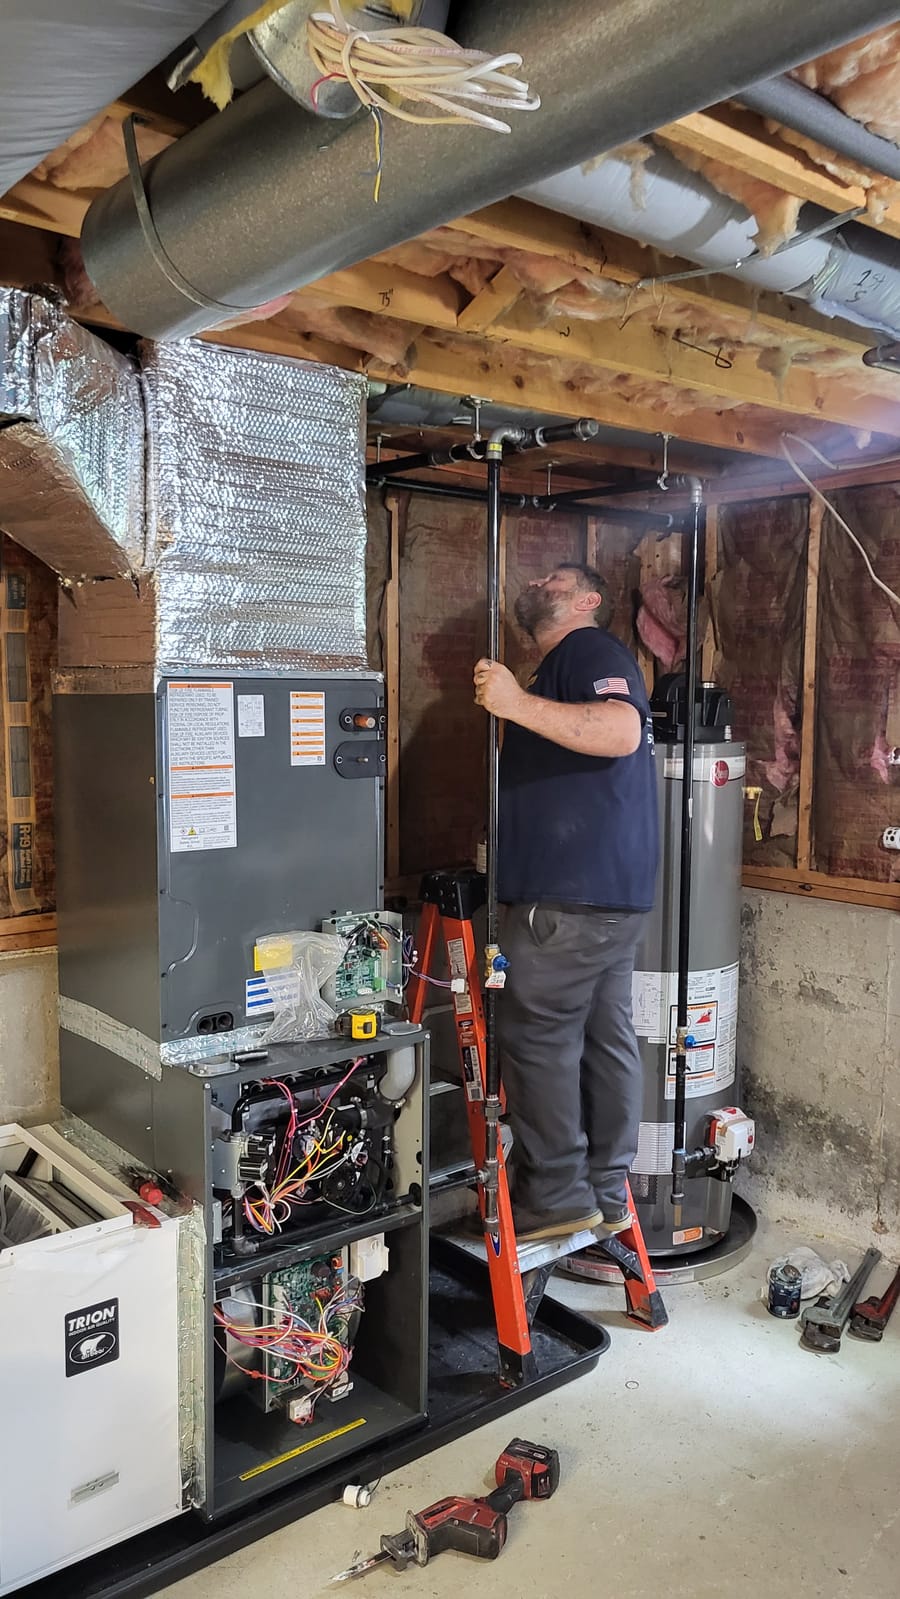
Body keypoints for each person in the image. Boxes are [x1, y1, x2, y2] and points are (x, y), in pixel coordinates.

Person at [473, 563, 659, 1244]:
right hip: (605, 898)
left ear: (587, 600)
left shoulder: (589, 650)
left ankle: (553, 1192)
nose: (540, 578)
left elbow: (621, 731)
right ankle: (606, 1189)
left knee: (536, 1029)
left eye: (556, 576)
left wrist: (513, 703)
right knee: (606, 1037)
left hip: (571, 899)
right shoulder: (556, 671)